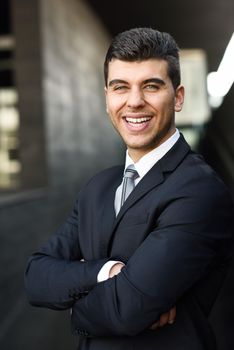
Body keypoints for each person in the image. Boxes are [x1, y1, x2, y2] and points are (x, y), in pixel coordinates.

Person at [25, 28, 234, 350]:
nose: (134, 102)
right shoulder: (98, 186)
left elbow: (125, 310)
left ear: (177, 97)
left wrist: (70, 300)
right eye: (120, 87)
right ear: (107, 98)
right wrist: (106, 272)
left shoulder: (200, 190)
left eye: (151, 86)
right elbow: (36, 278)